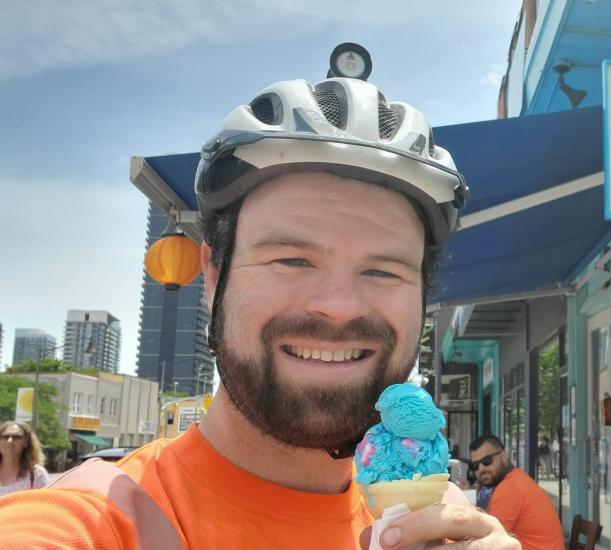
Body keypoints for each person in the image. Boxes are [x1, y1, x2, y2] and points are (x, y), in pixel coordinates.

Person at [0, 74, 516, 550]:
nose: (338, 306)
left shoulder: (441, 522)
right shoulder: (92, 522)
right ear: (214, 274)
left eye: (383, 270)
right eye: (291, 259)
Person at [470, 434, 564, 550]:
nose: (481, 469)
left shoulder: (509, 488)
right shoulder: (516, 478)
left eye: (487, 461)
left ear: (503, 457)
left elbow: (488, 541)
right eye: (475, 466)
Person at [0, 421, 48, 496]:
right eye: (5, 437)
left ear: (26, 442)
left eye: (16, 437)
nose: (9, 441)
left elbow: (43, 504)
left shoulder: (36, 474)